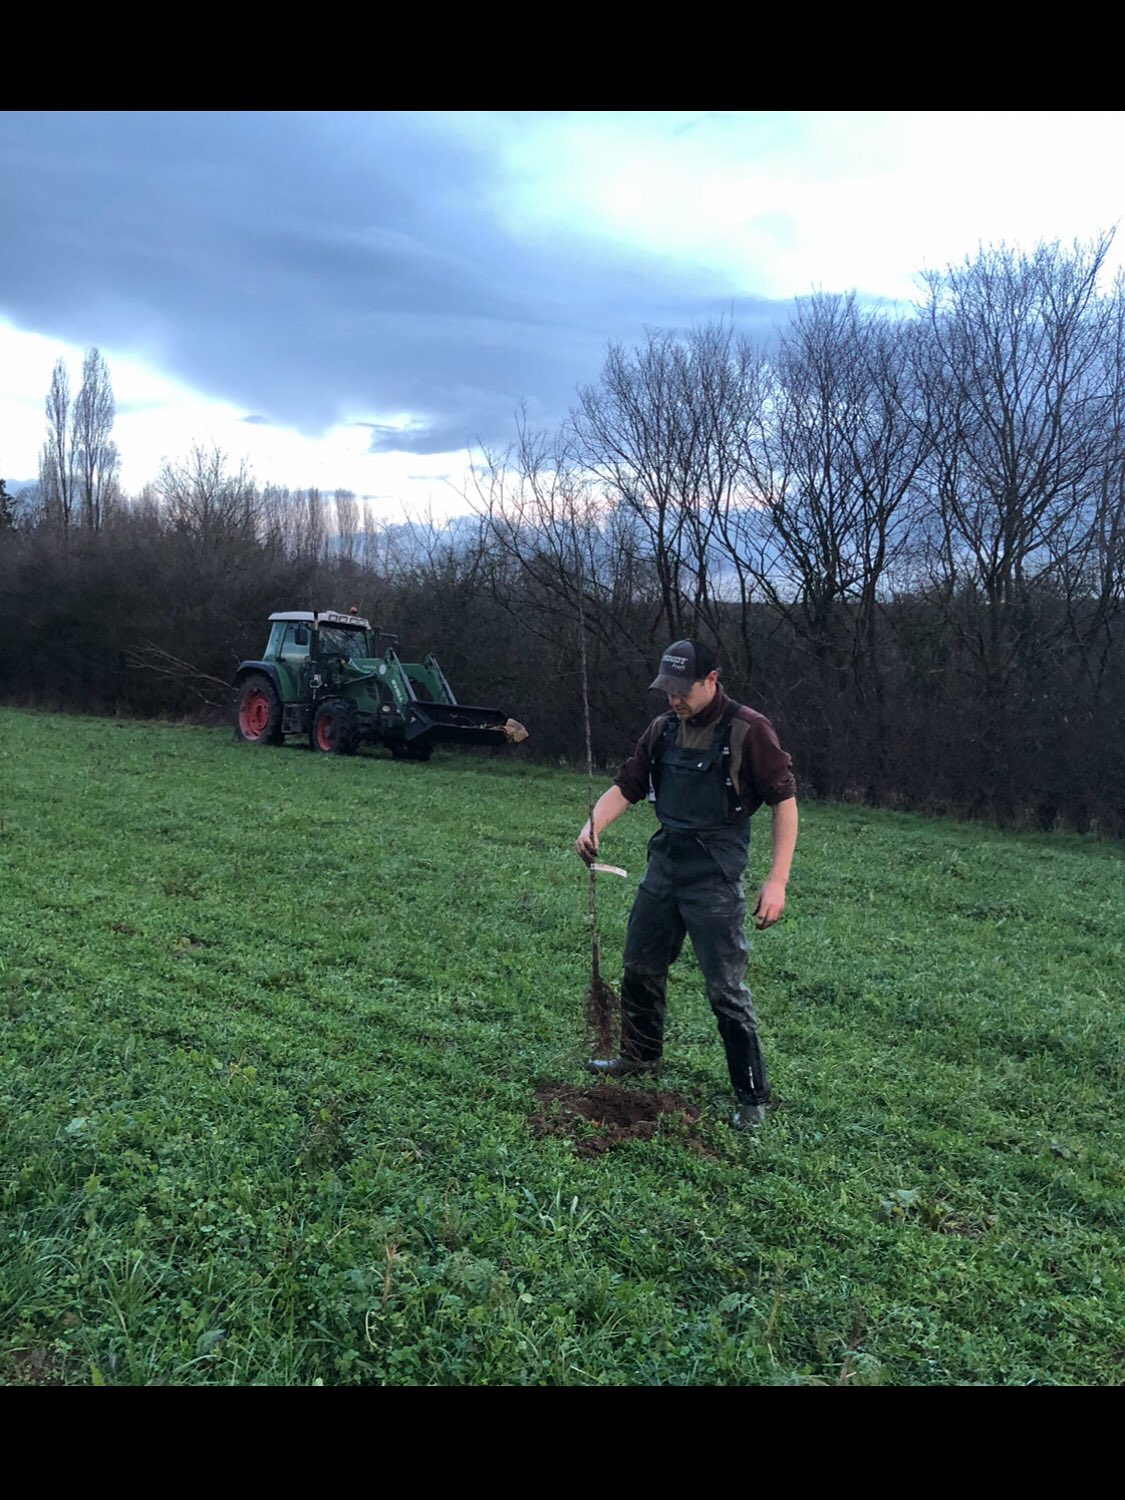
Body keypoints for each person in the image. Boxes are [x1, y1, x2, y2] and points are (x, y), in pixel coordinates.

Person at [574, 639, 798, 1129]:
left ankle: (751, 1096)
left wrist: (776, 879)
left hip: (715, 873)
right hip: (665, 862)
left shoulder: (748, 729)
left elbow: (785, 802)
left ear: (711, 680)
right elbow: (628, 786)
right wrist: (593, 825)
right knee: (639, 964)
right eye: (667, 690)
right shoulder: (661, 730)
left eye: (683, 689)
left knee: (724, 987)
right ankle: (639, 1055)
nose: (673, 699)